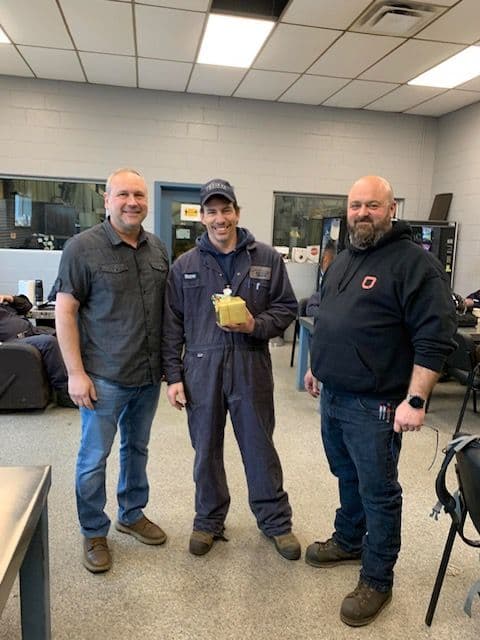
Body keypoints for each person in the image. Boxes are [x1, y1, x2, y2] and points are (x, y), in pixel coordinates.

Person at [304, 176, 456, 626]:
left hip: (377, 405)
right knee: (346, 475)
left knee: (379, 491)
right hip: (333, 395)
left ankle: (377, 578)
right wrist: (317, 365)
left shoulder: (413, 263)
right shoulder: (345, 257)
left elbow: (435, 334)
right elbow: (328, 317)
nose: (362, 212)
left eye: (372, 205)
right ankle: (349, 539)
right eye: (355, 205)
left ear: (392, 209)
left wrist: (416, 398)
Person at [162, 178, 301, 560]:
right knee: (205, 448)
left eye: (226, 210)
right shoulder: (184, 266)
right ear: (201, 216)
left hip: (250, 363)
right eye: (211, 211)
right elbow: (171, 325)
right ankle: (208, 520)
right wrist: (173, 376)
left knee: (259, 447)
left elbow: (287, 308)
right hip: (201, 369)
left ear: (237, 212)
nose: (219, 218)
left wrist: (254, 325)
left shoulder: (266, 258)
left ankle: (275, 522)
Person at [54, 168, 169, 574]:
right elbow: (65, 312)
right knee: (93, 457)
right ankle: (93, 530)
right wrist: (75, 373)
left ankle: (132, 513)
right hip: (103, 376)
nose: (132, 201)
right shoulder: (81, 249)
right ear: (107, 200)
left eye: (138, 194)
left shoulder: (157, 249)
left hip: (147, 376)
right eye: (123, 194)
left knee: (137, 449)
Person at [0, 292, 74, 407]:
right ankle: (63, 392)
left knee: (68, 336)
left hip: (32, 332)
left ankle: (78, 381)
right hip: (12, 342)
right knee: (48, 343)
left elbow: (26, 305)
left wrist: (8, 298)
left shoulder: (3, 303)